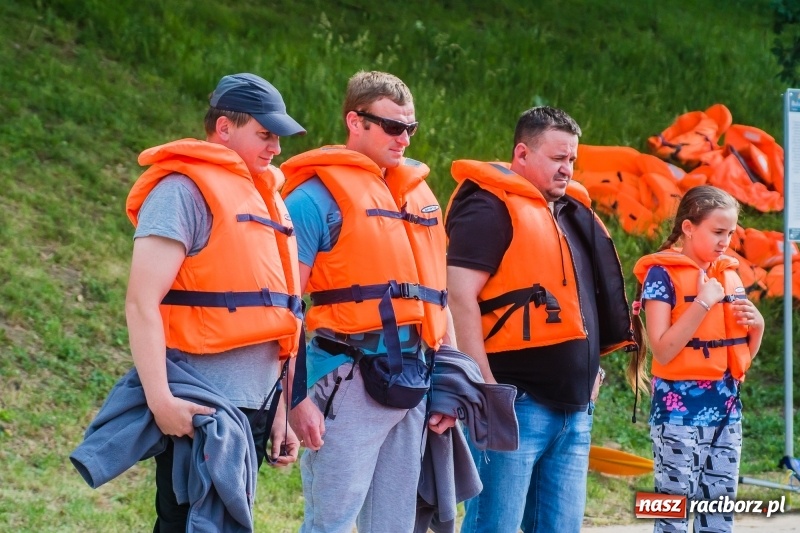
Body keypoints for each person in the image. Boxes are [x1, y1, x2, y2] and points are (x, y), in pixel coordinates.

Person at [124, 72, 305, 531]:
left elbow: (279, 321)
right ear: (224, 128)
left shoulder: (268, 198)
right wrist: (161, 401)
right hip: (199, 407)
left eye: (278, 137)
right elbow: (141, 302)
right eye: (264, 135)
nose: (275, 148)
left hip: (258, 406)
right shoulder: (181, 192)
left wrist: (281, 409)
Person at [445, 106, 636, 533]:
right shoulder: (488, 208)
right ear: (522, 154)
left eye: (572, 160)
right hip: (516, 406)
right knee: (494, 526)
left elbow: (579, 303)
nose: (567, 169)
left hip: (575, 411)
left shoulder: (571, 213)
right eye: (557, 159)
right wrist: (484, 389)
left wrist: (594, 370)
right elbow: (458, 296)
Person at [281, 70, 457, 533]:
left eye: (411, 128)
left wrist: (451, 381)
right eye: (392, 127)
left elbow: (438, 299)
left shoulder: (417, 197)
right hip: (345, 376)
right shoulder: (313, 200)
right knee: (332, 523)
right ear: (354, 122)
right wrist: (293, 400)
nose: (404, 139)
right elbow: (285, 311)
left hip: (412, 377)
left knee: (395, 525)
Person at [630, 185, 764, 533]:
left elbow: (741, 359)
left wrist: (758, 327)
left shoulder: (727, 276)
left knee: (719, 515)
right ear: (689, 228)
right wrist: (702, 302)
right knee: (672, 514)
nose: (725, 241)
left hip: (726, 412)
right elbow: (661, 348)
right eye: (717, 231)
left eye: (730, 233)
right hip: (677, 416)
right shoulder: (662, 276)